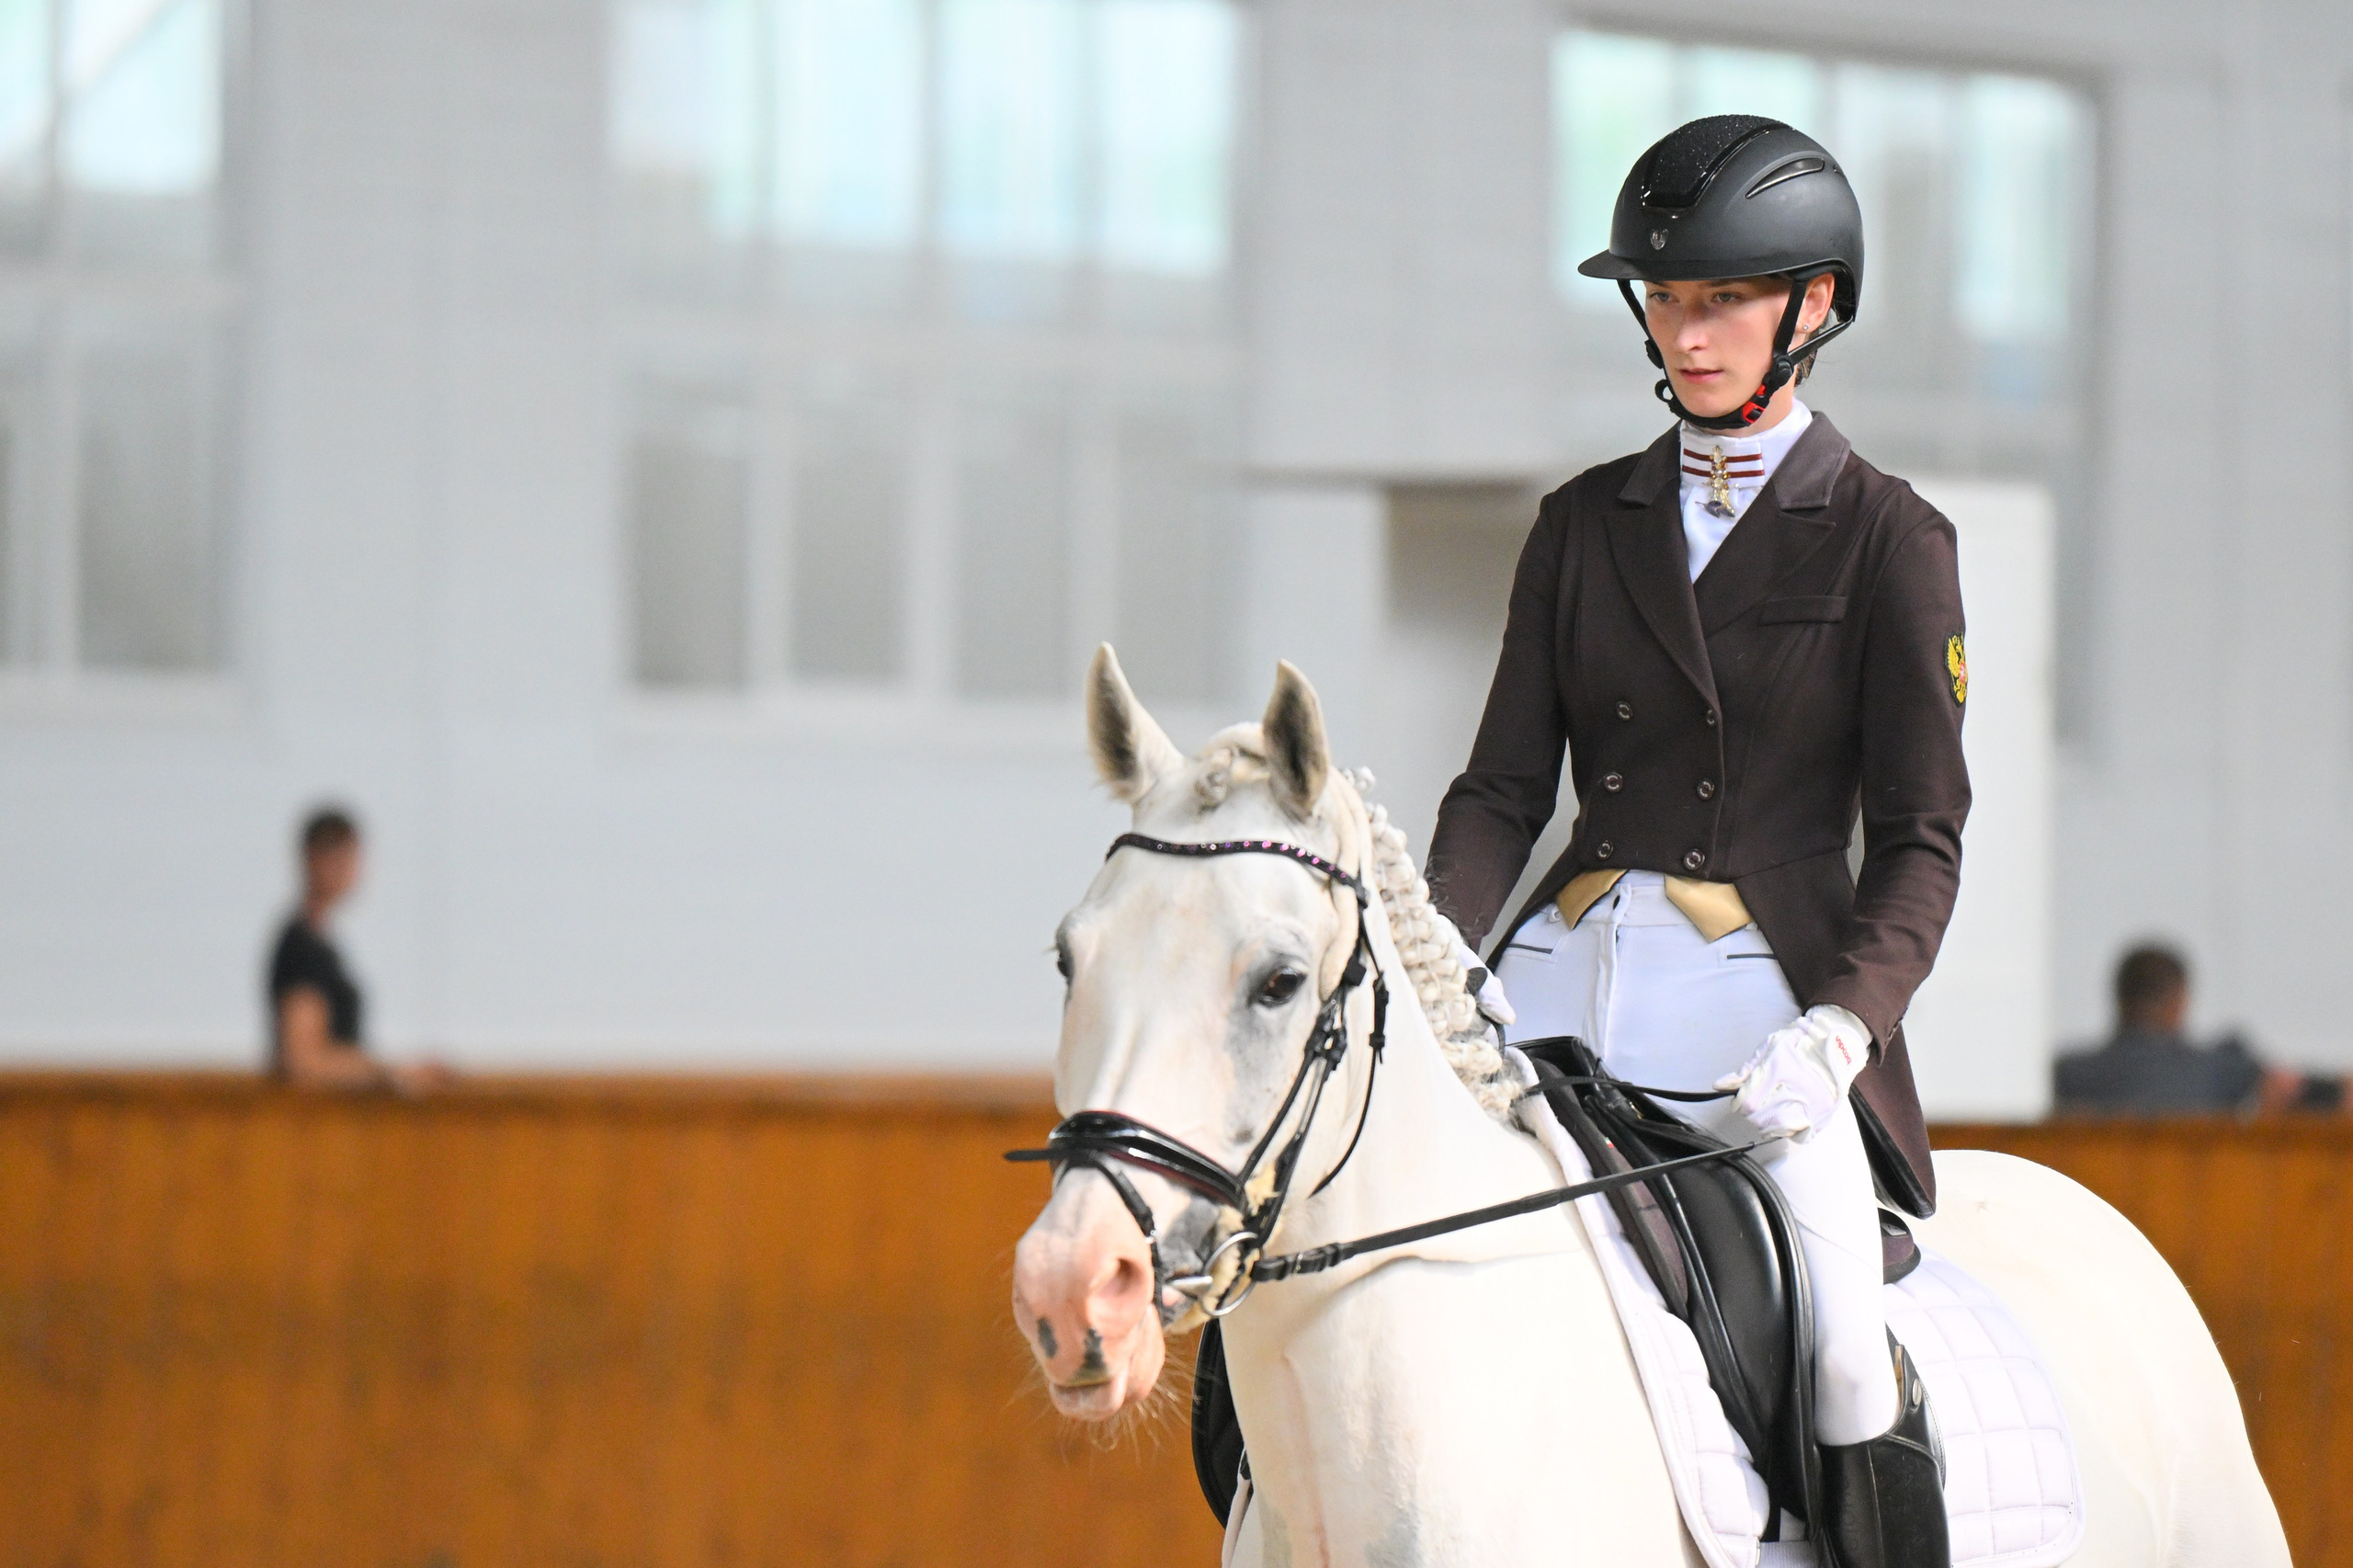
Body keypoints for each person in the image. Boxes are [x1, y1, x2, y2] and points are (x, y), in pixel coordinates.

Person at [1425, 116, 1965, 1567]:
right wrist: (1430, 951)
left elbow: (1922, 836)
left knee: (1849, 1354)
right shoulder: (1580, 523)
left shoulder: (1885, 538)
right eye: (1666, 300)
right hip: (1556, 973)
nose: (1688, 331)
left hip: (1758, 1013)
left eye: (1721, 299)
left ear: (1816, 307)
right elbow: (1497, 791)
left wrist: (1847, 1024)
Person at [266, 807, 449, 1094]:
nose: (350, 871)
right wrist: (392, 1073)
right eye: (339, 860)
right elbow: (305, 1061)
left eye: (351, 860)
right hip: (314, 1123)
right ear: (311, 860)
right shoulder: (303, 949)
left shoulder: (320, 943)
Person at [2053, 944, 2345, 1116]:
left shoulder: (2070, 1073)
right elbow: (2294, 1088)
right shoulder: (2217, 1069)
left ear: (2118, 998)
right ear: (2179, 1001)